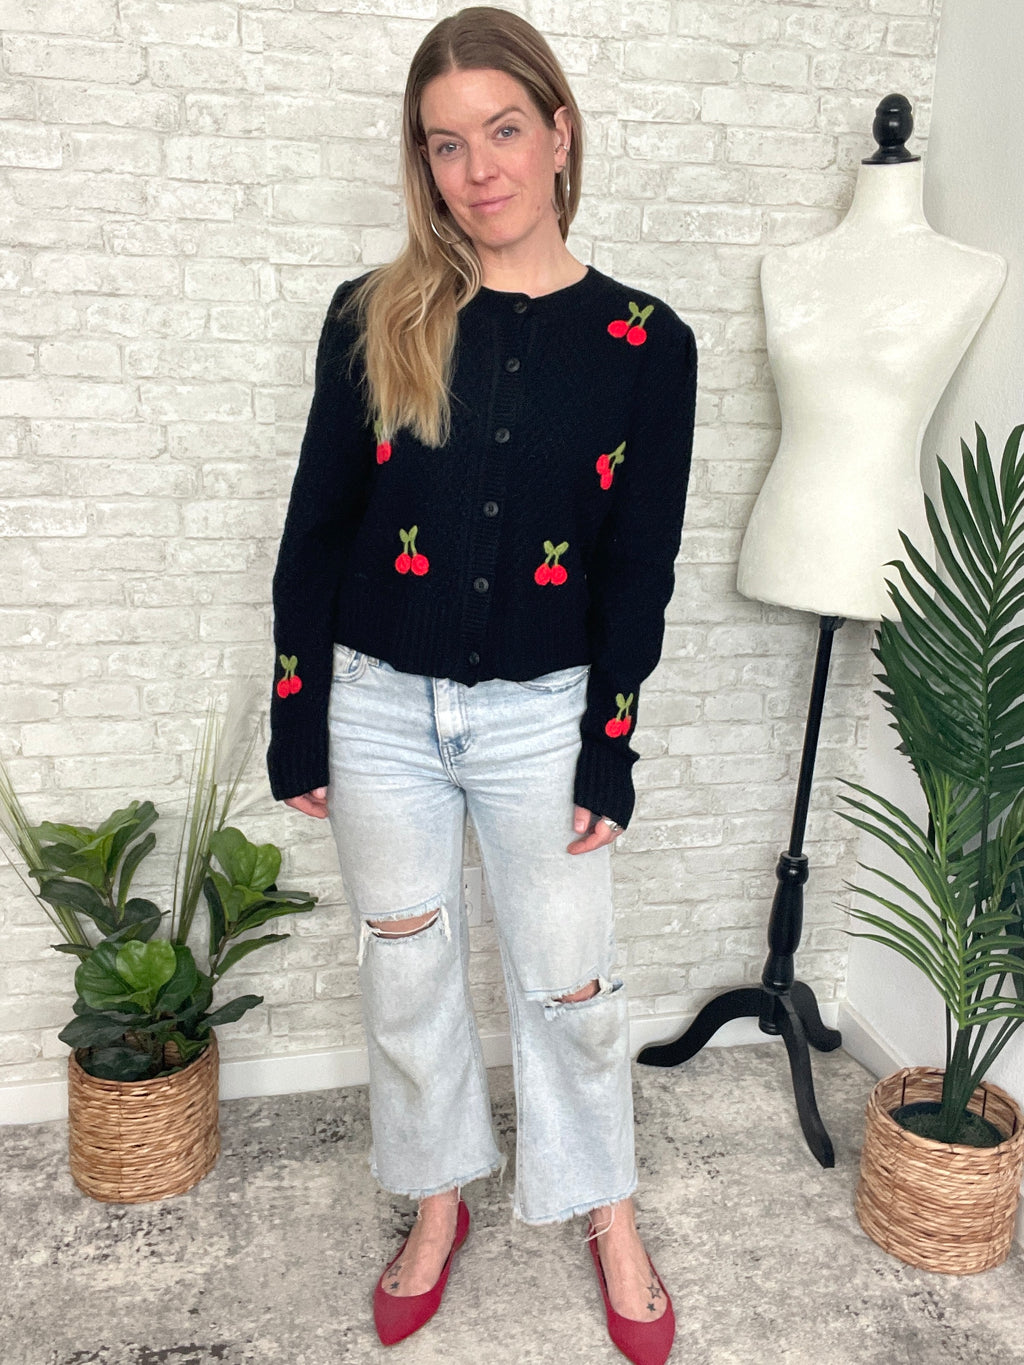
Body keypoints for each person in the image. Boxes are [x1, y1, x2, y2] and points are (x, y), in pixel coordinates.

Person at [268, 9, 696, 1362]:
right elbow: (318, 527)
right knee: (406, 969)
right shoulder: (375, 315)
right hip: (378, 707)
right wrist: (297, 713)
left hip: (543, 714)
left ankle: (606, 1208)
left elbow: (638, 565)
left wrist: (610, 742)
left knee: (572, 986)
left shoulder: (647, 342)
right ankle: (439, 1198)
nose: (478, 169)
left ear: (560, 134)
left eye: (504, 130)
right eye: (445, 144)